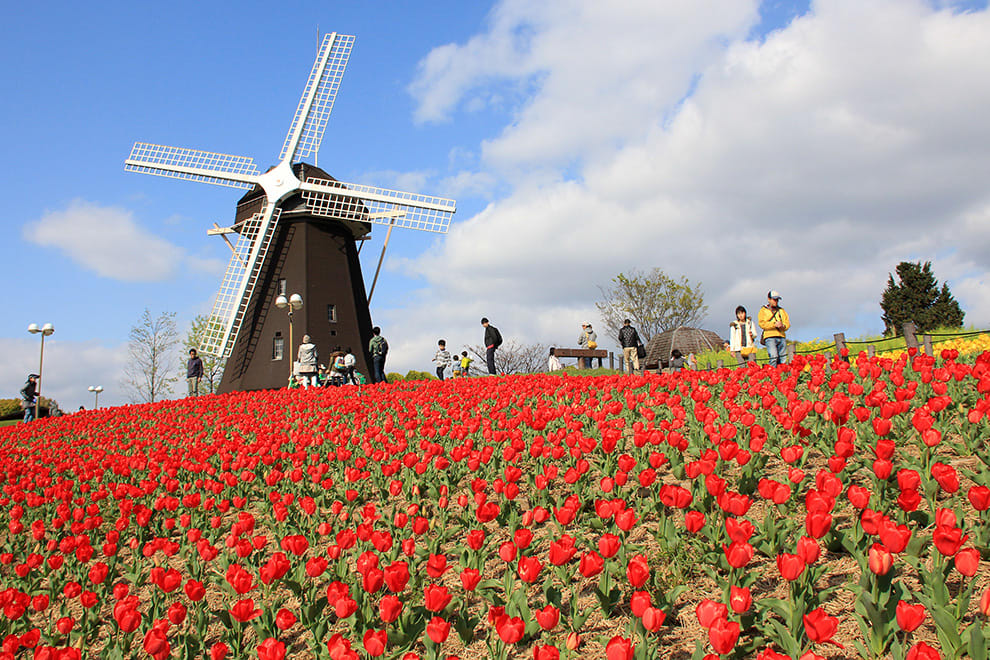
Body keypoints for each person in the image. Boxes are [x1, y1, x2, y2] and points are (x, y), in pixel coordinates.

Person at [758, 290, 791, 366]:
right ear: (769, 299)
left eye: (777, 300)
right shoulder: (763, 310)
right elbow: (762, 324)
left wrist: (783, 326)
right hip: (770, 337)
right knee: (774, 357)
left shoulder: (781, 311)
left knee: (783, 359)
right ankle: (772, 374)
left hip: (781, 336)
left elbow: (787, 323)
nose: (776, 301)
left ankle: (782, 375)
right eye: (774, 299)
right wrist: (774, 324)